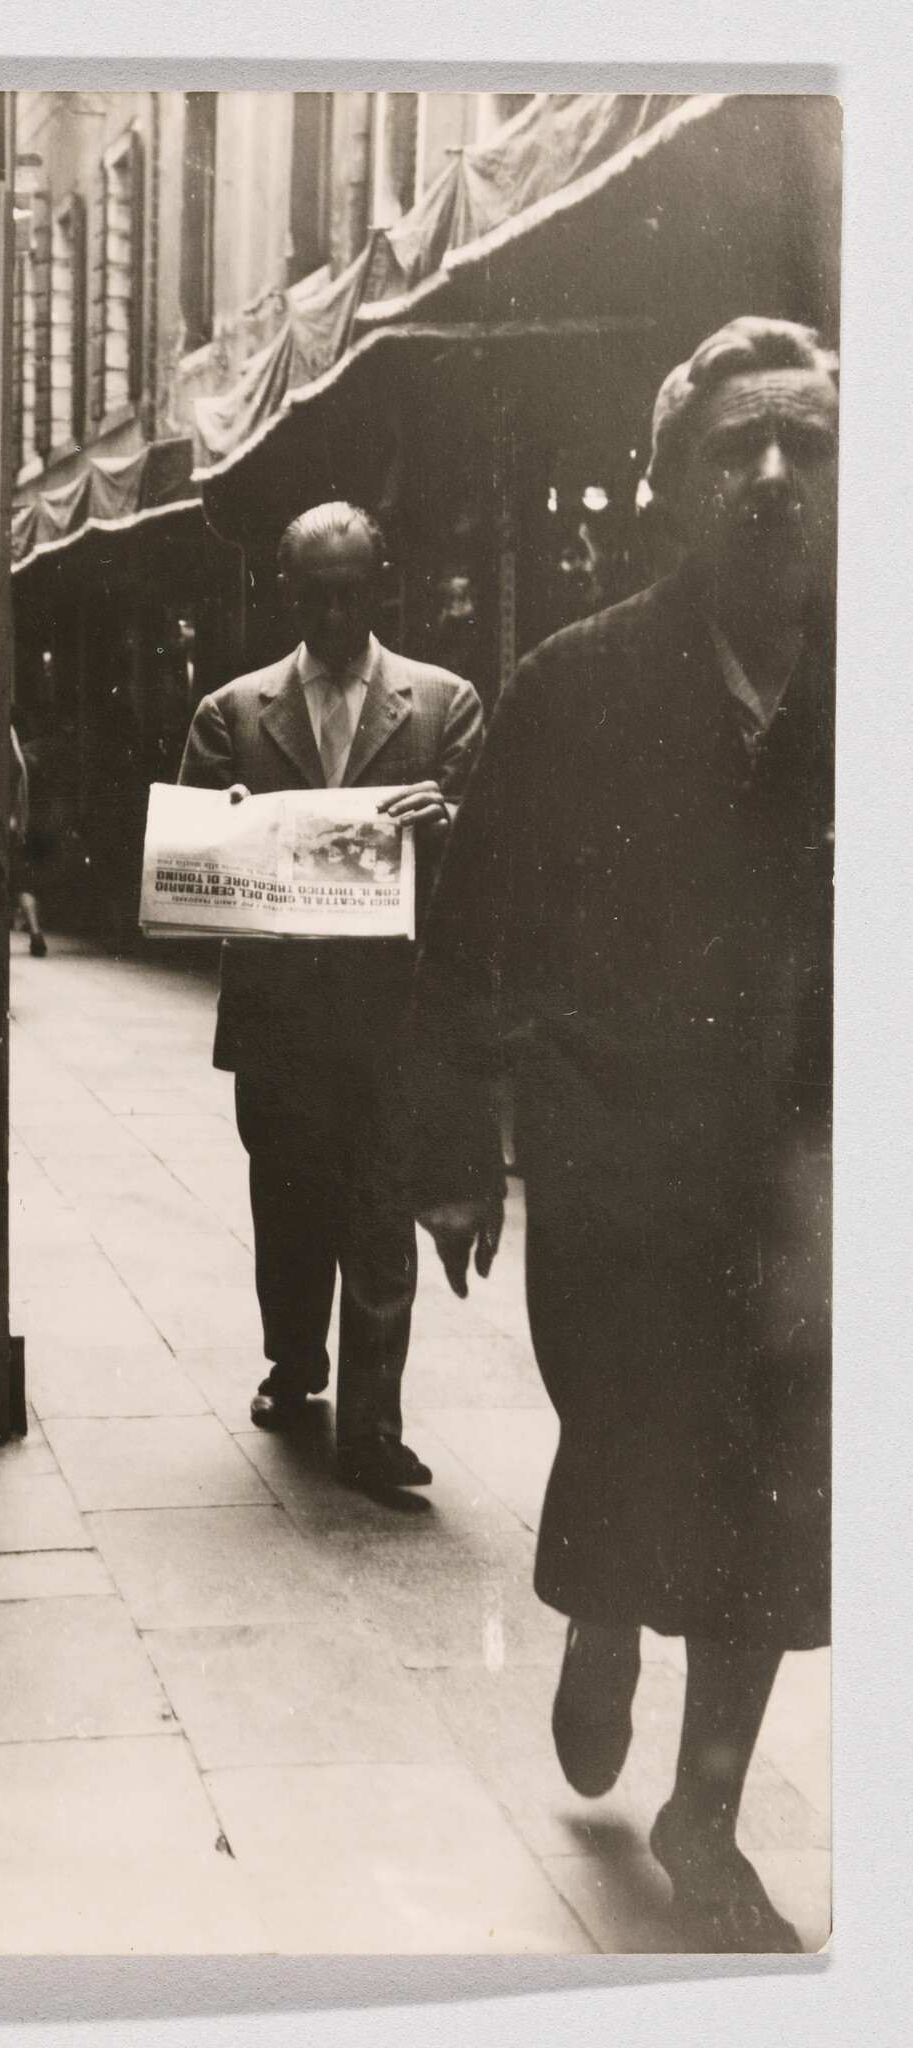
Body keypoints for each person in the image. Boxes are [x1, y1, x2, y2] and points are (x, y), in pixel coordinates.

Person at [400, 318, 836, 1951]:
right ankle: (599, 1612)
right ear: (673, 487)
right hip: (617, 1164)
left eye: (810, 441)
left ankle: (705, 1811)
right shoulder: (573, 687)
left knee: (789, 1492)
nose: (778, 474)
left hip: (810, 1179)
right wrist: (453, 1150)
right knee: (637, 1435)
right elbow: (472, 933)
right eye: (740, 446)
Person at [178, 503, 484, 1492]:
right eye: (319, 592)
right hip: (281, 1023)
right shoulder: (230, 713)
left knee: (380, 1211)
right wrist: (218, 837)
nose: (339, 609)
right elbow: (187, 862)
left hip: (395, 1023)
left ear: (381, 584)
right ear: (288, 593)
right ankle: (294, 1361)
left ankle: (373, 1427)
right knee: (290, 1206)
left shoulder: (446, 705)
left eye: (355, 589)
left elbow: (494, 858)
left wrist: (449, 827)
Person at [8, 722, 48, 957]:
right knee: (23, 883)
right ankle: (35, 932)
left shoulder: (5, 762)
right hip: (19, 828)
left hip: (4, 827)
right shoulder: (23, 762)